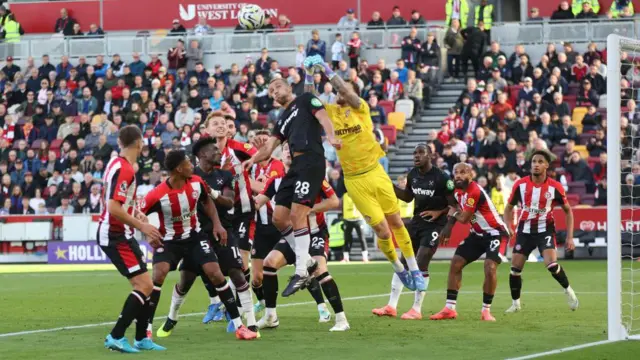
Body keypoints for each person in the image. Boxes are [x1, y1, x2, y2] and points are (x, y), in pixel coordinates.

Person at [304, 55, 426, 292]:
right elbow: (310, 99)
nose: (343, 92)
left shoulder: (361, 108)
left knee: (396, 222)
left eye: (347, 89)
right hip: (354, 180)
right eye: (341, 89)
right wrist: (309, 73)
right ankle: (400, 269)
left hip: (375, 172)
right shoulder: (328, 112)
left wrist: (327, 69)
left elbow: (347, 93)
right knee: (381, 230)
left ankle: (414, 268)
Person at [140, 149, 257, 340]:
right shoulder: (157, 194)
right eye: (188, 162)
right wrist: (146, 231)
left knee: (216, 273)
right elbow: (137, 213)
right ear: (178, 169)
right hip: (170, 241)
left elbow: (207, 202)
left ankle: (239, 326)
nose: (191, 165)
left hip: (195, 237)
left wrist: (217, 224)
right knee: (158, 274)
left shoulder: (196, 182)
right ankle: (146, 328)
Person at [242, 75, 339, 297]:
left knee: (297, 215)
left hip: (311, 161)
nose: (274, 92)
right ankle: (305, 260)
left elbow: (324, 117)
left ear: (288, 86)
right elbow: (269, 148)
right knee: (279, 216)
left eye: (277, 87)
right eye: (271, 91)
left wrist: (331, 137)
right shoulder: (282, 118)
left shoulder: (306, 99)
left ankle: (301, 270)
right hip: (295, 167)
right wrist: (252, 160)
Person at [254, 143, 349, 332]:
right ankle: (270, 316)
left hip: (314, 233)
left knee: (319, 269)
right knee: (269, 263)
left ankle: (341, 319)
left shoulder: (313, 178)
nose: (289, 150)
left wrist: (306, 209)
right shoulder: (275, 182)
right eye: (285, 148)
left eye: (292, 147)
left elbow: (333, 201)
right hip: (292, 236)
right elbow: (257, 203)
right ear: (281, 156)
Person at [97, 125, 166, 353]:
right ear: (140, 143)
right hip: (115, 234)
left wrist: (137, 213)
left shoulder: (115, 164)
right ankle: (115, 336)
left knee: (146, 284)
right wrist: (144, 227)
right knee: (144, 284)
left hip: (121, 233)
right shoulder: (125, 169)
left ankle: (140, 338)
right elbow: (113, 207)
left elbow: (119, 200)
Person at [372, 144, 456, 320]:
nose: (416, 156)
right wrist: (389, 186)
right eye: (414, 153)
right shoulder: (413, 175)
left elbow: (454, 204)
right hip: (416, 222)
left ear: (430, 156)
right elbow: (408, 197)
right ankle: (391, 306)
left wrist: (439, 213)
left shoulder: (442, 178)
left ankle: (416, 309)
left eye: (420, 153)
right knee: (403, 261)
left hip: (435, 225)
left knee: (421, 260)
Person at [430, 162, 509, 322]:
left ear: (470, 175)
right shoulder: (458, 192)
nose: (458, 175)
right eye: (456, 172)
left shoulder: (474, 191)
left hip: (496, 234)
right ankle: (449, 309)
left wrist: (452, 217)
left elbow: (464, 218)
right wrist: (446, 217)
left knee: (489, 267)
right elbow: (453, 208)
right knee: (456, 264)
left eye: (463, 172)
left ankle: (486, 311)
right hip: (477, 234)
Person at [503, 150, 579, 313]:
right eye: (533, 162)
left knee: (551, 264)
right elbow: (508, 208)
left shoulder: (555, 187)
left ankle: (568, 290)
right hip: (525, 231)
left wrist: (570, 237)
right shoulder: (520, 184)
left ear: (546, 165)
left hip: (545, 229)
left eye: (539, 162)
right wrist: (508, 225)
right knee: (515, 269)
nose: (536, 164)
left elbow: (568, 211)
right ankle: (516, 304)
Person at [245, 130, 286, 316]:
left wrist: (253, 184)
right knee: (257, 277)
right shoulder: (250, 168)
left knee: (305, 266)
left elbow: (268, 189)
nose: (261, 147)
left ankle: (321, 306)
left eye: (265, 144)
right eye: (258, 144)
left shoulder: (278, 165)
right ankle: (262, 303)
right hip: (259, 227)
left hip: (279, 223)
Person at [341, 192, 368, 262]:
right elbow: (342, 205)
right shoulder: (344, 195)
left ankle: (365, 257)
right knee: (347, 239)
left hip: (358, 219)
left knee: (362, 238)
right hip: (347, 219)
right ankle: (346, 257)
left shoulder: (358, 194)